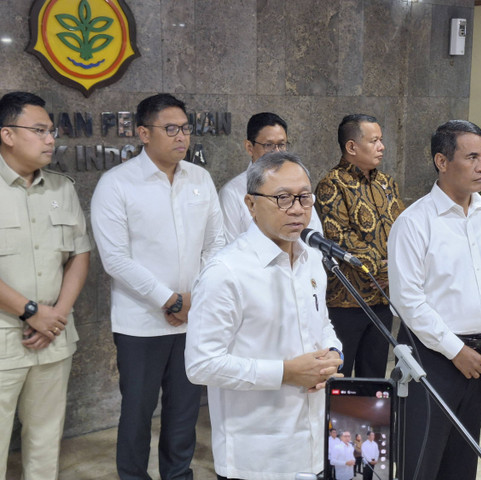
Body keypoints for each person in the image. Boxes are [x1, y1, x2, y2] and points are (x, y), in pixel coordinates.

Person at [185, 151, 344, 480]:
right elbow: (201, 364)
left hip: (313, 439)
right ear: (251, 204)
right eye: (283, 198)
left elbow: (322, 322)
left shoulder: (312, 259)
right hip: (255, 454)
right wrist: (285, 373)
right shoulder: (225, 272)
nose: (297, 209)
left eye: (304, 197)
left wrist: (333, 354)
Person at [91, 93, 225, 480]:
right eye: (171, 129)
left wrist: (192, 299)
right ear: (143, 133)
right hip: (140, 324)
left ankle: (177, 474)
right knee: (137, 410)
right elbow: (115, 259)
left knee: (184, 410)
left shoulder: (200, 178)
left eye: (185, 128)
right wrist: (168, 300)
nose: (182, 136)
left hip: (193, 317)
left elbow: (215, 244)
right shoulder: (116, 184)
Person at [388, 120, 481, 479]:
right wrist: (454, 349)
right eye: (471, 158)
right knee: (421, 460)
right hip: (431, 357)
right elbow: (408, 300)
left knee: (463, 462)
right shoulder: (415, 222)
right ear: (442, 161)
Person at [0, 91, 91, 479]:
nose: (50, 139)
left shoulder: (61, 188)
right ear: (7, 134)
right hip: (6, 336)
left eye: (51, 131)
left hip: (53, 335)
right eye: (39, 130)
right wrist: (31, 312)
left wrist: (56, 316)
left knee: (45, 440)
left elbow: (79, 255)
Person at [315, 114, 404, 378]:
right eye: (374, 140)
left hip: (382, 298)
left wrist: (399, 268)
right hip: (347, 302)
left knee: (374, 373)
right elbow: (338, 238)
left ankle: (370, 421)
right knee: (340, 375)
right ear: (352, 147)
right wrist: (383, 268)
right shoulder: (332, 184)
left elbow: (402, 229)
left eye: (381, 140)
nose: (381, 146)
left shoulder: (387, 183)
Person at [218, 112, 321, 242]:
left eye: (281, 145)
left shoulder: (299, 185)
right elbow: (230, 247)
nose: (277, 152)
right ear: (249, 147)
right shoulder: (232, 192)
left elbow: (314, 239)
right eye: (268, 145)